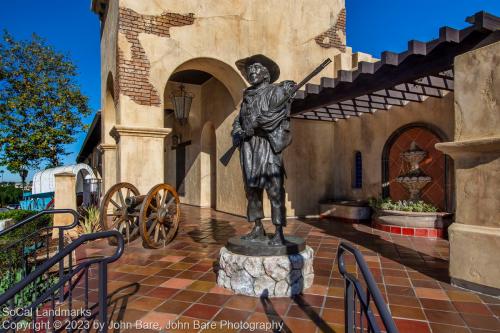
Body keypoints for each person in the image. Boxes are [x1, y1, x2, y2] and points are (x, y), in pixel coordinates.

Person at [232, 54, 295, 246]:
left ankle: (278, 231)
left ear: (266, 74)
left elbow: (278, 115)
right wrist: (240, 131)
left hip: (267, 145)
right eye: (250, 69)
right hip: (249, 147)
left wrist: (256, 126)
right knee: (251, 190)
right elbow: (237, 121)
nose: (252, 72)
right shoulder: (247, 98)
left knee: (275, 189)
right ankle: (257, 228)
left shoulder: (276, 92)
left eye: (257, 68)